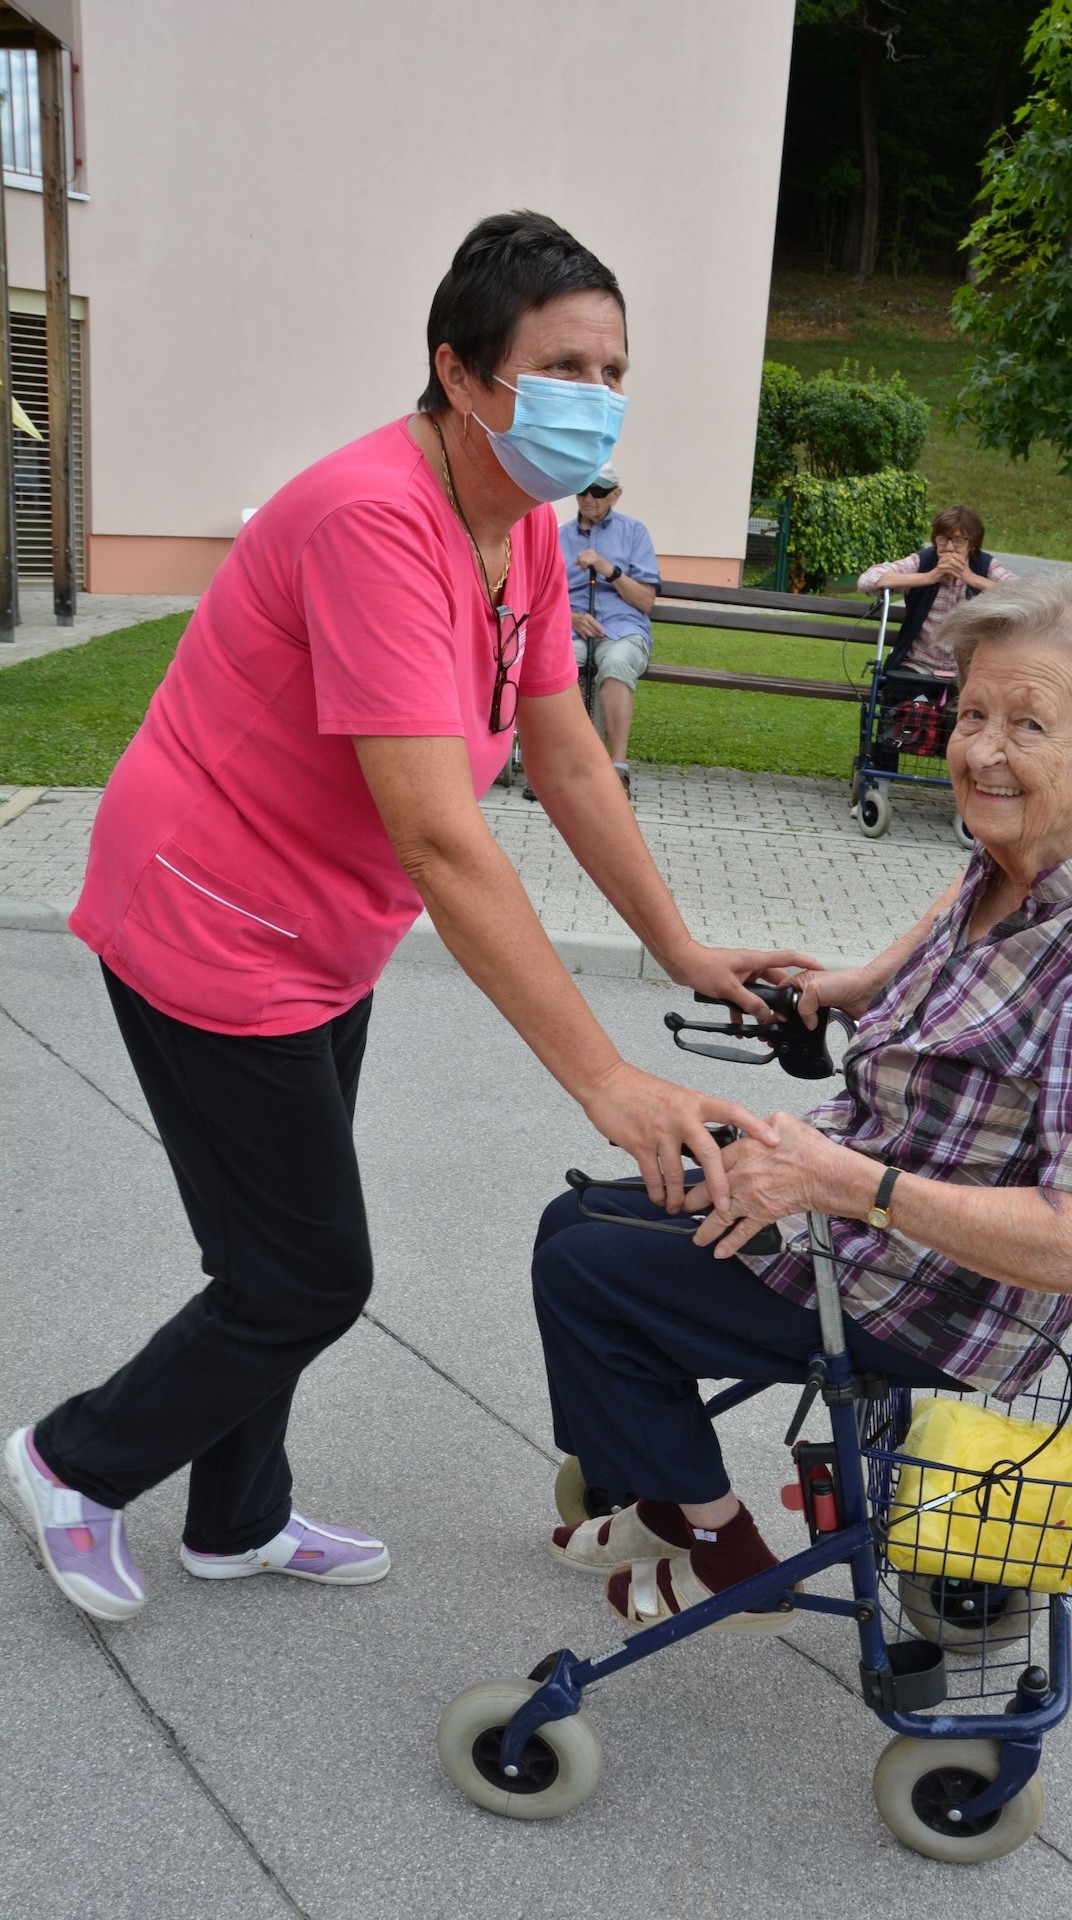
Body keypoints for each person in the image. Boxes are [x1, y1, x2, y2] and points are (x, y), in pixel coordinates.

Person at [3, 211, 813, 1627]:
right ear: (461, 372)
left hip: (322, 932)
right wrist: (606, 1080)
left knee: (268, 1254)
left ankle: (237, 1519)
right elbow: (442, 835)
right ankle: (71, 1460)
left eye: (615, 368)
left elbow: (563, 754)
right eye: (565, 365)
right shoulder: (378, 518)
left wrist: (680, 949)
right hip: (211, 923)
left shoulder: (524, 530)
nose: (599, 397)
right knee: (310, 1273)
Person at [533, 571, 1072, 1632]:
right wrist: (856, 984)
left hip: (940, 1290)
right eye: (972, 714)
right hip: (861, 1190)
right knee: (579, 1216)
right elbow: (953, 907)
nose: (979, 750)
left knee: (589, 1275)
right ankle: (663, 1486)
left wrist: (845, 1182)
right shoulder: (1025, 843)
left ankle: (713, 1541)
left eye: (1028, 724)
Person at [554, 464, 659, 796]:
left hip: (622, 629)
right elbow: (539, 596)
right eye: (582, 489)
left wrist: (608, 569)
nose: (588, 498)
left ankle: (617, 768)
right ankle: (559, 766)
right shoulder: (559, 536)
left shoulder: (634, 533)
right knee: (559, 667)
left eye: (598, 492)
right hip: (572, 631)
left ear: (615, 494)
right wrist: (570, 618)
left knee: (615, 665)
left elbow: (645, 600)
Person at [858, 504, 1013, 680]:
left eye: (958, 541)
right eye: (942, 539)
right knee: (902, 696)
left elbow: (1029, 594)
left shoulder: (985, 566)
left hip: (970, 673)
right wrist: (929, 577)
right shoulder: (923, 561)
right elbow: (867, 580)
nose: (948, 547)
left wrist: (972, 579)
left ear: (972, 545)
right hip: (918, 667)